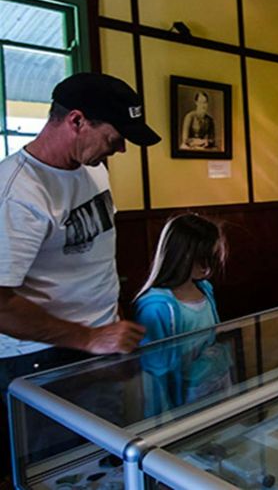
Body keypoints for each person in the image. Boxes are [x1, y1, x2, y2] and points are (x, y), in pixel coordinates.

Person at [0, 72, 161, 473]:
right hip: (41, 361)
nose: (121, 148)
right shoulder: (16, 193)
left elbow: (94, 255)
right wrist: (88, 337)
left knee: (105, 466)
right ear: (76, 121)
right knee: (57, 472)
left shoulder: (94, 168)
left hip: (100, 346)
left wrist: (111, 322)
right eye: (114, 137)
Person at [134, 214, 231, 416]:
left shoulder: (205, 289)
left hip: (213, 384)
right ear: (179, 255)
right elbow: (156, 373)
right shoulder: (157, 307)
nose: (207, 267)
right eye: (201, 259)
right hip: (181, 399)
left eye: (212, 258)